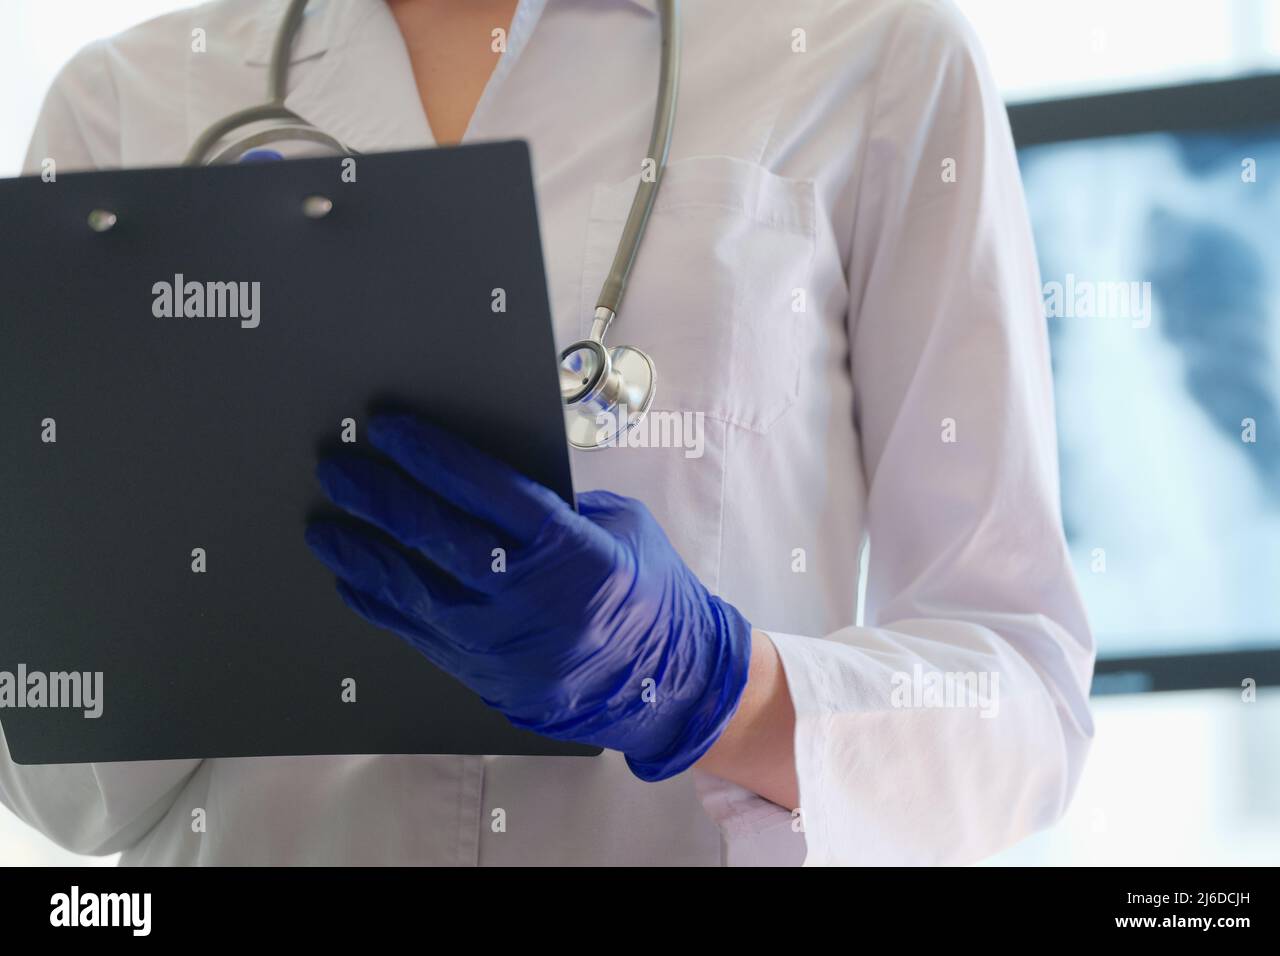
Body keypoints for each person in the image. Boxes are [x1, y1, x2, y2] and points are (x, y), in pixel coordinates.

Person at [0, 0, 1095, 866]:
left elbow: (1021, 700)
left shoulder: (880, 55)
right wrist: (179, 527)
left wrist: (703, 682)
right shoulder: (129, 102)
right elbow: (59, 782)